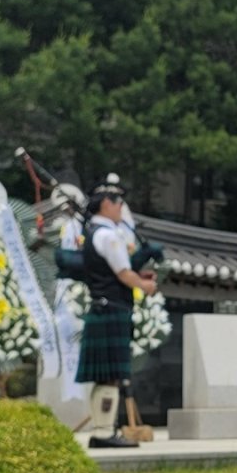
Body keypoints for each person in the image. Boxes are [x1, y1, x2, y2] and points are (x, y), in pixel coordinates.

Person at [76, 179, 158, 449]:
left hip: (103, 306)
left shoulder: (93, 232)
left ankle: (103, 430)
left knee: (105, 376)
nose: (122, 207)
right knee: (110, 376)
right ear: (106, 204)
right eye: (118, 202)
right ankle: (103, 433)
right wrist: (145, 285)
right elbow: (123, 274)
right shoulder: (109, 235)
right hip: (111, 308)